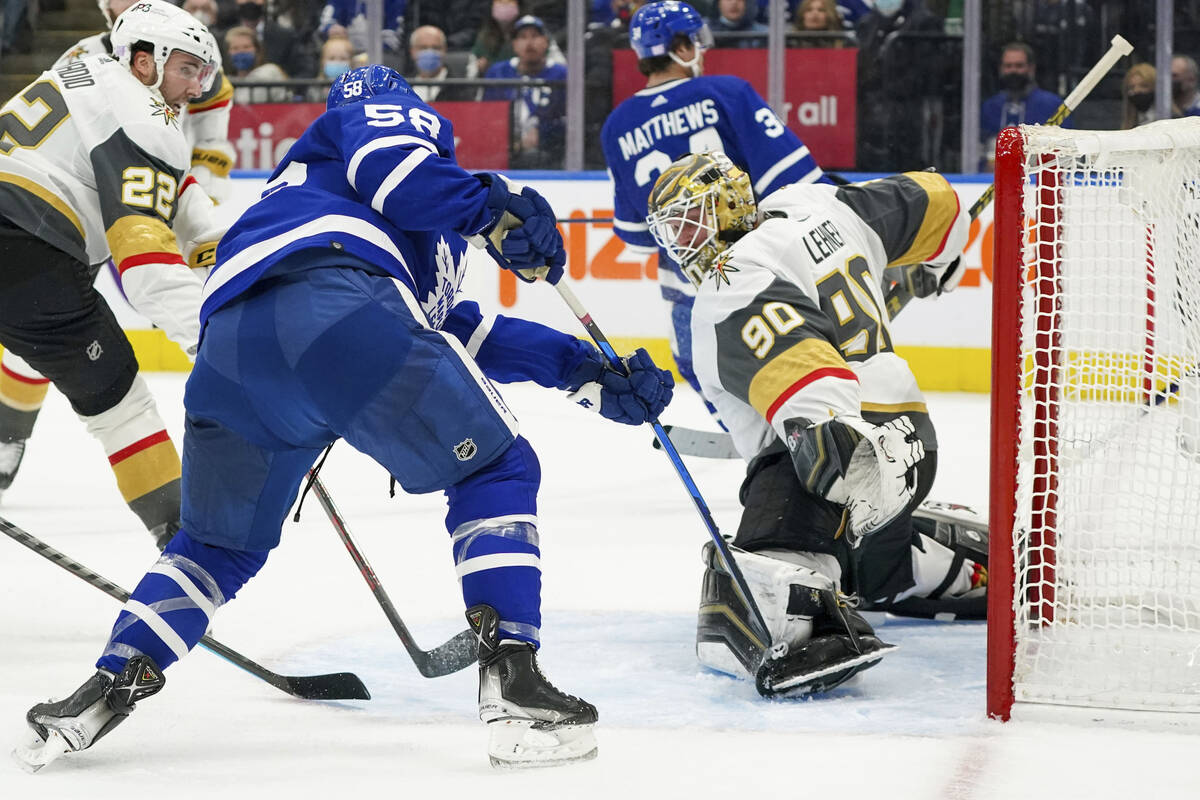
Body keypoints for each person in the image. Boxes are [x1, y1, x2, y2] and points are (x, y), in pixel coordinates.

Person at [15, 64, 674, 772]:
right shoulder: (382, 117)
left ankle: (105, 688)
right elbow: (397, 172)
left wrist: (584, 371)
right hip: (337, 309)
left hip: (232, 354)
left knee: (216, 546)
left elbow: (457, 331)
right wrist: (494, 204)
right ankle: (514, 677)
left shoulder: (350, 206)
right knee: (498, 465)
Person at [645, 152, 988, 695]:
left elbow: (812, 386)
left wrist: (845, 454)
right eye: (672, 231)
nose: (682, 242)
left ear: (729, 205)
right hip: (914, 443)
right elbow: (938, 201)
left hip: (848, 460)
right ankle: (917, 563)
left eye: (690, 220)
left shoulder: (731, 279)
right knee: (875, 574)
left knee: (747, 586)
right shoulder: (819, 204)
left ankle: (802, 613)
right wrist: (939, 256)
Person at [0, 0, 223, 548]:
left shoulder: (88, 63)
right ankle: (188, 548)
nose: (196, 88)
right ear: (145, 62)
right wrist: (216, 341)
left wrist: (218, 244)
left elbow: (172, 182)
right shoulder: (147, 119)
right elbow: (146, 270)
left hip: (18, 225)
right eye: (187, 68)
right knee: (121, 399)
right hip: (29, 252)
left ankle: (6, 443)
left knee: (29, 349)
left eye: (203, 71)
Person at [600, 0, 827, 422]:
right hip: (762, 274)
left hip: (689, 291)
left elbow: (634, 236)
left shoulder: (616, 126)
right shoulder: (726, 92)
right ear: (680, 47)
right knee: (797, 365)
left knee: (711, 377)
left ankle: (761, 453)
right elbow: (800, 182)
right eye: (693, 42)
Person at [55, 0, 237, 204]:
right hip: (96, 181)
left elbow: (212, 125)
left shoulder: (194, 45)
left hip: (168, 174)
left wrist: (202, 186)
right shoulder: (83, 55)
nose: (134, 3)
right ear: (106, 8)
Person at [482, 15, 567, 169]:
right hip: (502, 149)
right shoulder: (498, 72)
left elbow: (570, 121)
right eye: (522, 37)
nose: (529, 43)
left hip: (548, 153)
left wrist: (542, 133)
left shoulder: (561, 74)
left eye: (535, 36)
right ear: (514, 44)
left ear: (546, 42)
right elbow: (486, 117)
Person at [979, 43, 1066, 168]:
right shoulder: (990, 107)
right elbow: (980, 152)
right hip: (994, 181)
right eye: (1008, 66)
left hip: (1039, 181)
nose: (1013, 71)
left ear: (1031, 68)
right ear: (1001, 69)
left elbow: (1065, 152)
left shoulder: (1052, 105)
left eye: (1019, 66)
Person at [406, 24, 477, 103]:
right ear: (412, 51)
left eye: (435, 48)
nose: (429, 52)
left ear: (444, 50)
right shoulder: (401, 86)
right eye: (423, 48)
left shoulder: (460, 89)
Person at [224, 26, 292, 104]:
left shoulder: (268, 72)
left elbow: (243, 105)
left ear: (257, 49)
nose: (241, 51)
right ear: (228, 52)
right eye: (235, 48)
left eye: (246, 47)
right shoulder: (227, 80)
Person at [1121, 63, 1157, 130]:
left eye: (1144, 86)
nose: (1137, 90)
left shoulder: (1173, 120)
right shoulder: (1130, 127)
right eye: (1132, 87)